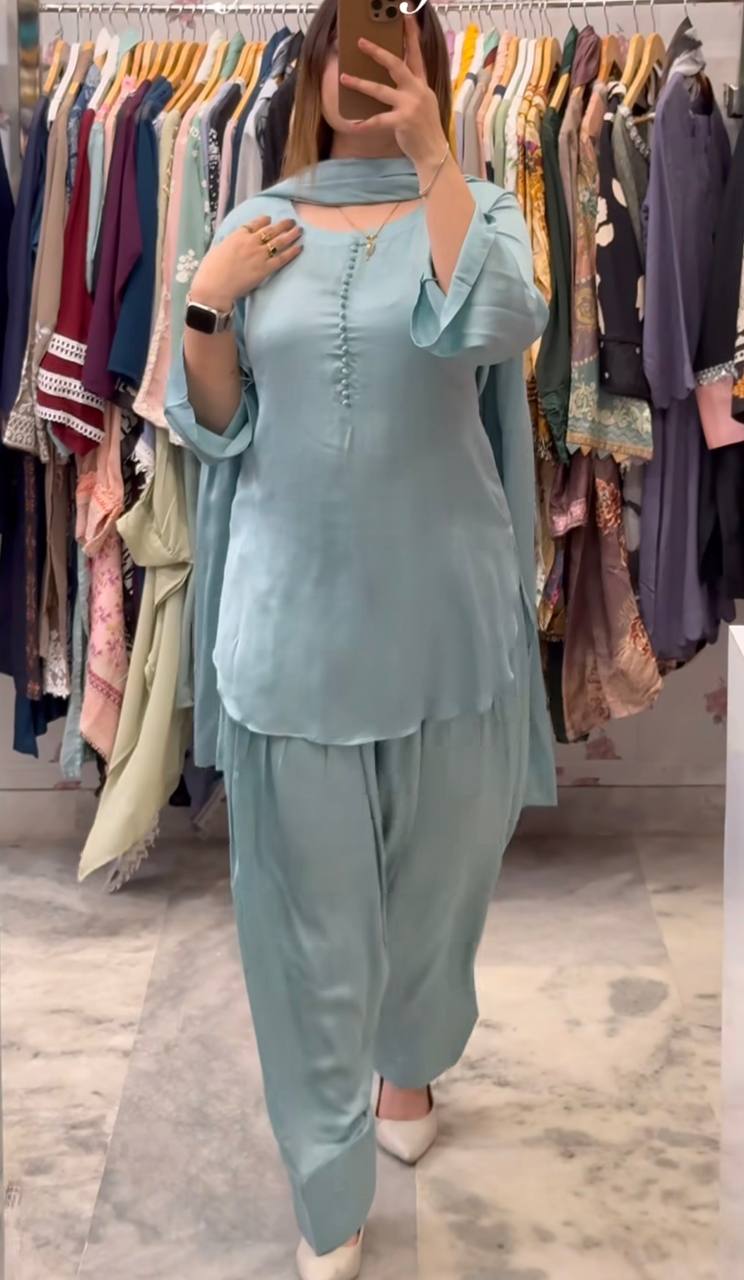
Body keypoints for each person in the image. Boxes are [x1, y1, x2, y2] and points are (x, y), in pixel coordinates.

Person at [165, 3, 553, 1276]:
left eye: (394, 45)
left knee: (438, 902)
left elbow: (500, 320)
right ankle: (328, 1176)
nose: (366, 68)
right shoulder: (253, 221)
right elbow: (217, 422)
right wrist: (206, 304)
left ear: (426, 69)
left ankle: (412, 1063)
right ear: (315, 69)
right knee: (308, 931)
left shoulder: (481, 210)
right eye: (347, 42)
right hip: (293, 636)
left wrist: (438, 156)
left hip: (449, 632)